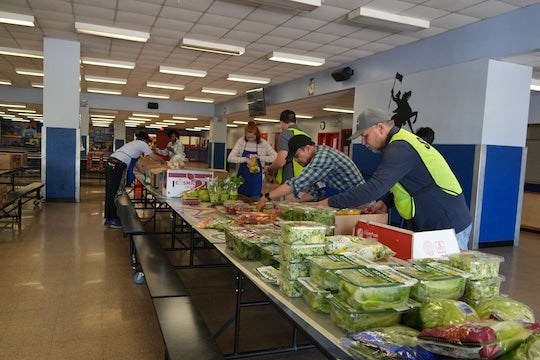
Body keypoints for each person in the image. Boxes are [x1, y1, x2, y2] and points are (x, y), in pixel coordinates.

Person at [316, 108, 472, 250]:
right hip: (434, 224)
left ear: (380, 128)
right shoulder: (400, 143)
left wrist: (328, 203)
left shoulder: (400, 147)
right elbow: (413, 182)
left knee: (448, 278)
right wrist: (386, 202)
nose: (363, 142)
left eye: (365, 136)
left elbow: (374, 188)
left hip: (447, 225)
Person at [256, 134, 365, 210]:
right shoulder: (316, 158)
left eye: (297, 156)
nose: (296, 160)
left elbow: (296, 183)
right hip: (344, 202)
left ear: (308, 149)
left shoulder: (323, 157)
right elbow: (315, 192)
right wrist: (290, 202)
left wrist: (267, 197)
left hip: (361, 204)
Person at [104, 131, 165, 228]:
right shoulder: (142, 144)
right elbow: (153, 156)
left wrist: (146, 175)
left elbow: (137, 165)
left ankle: (111, 217)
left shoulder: (133, 145)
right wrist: (163, 161)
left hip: (112, 163)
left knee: (113, 192)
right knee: (113, 193)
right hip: (116, 165)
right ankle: (110, 219)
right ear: (145, 140)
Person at [228, 121, 277, 200]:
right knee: (240, 200)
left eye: (252, 137)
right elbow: (230, 158)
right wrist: (245, 160)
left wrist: (260, 157)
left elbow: (275, 156)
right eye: (248, 137)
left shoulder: (263, 143)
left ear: (256, 134)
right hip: (242, 178)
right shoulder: (241, 142)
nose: (250, 139)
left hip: (256, 180)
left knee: (254, 201)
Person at [263, 109, 309, 184]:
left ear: (281, 123)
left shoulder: (285, 135)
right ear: (296, 122)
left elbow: (281, 161)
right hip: (305, 178)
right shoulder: (306, 135)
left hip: (290, 180)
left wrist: (269, 169)